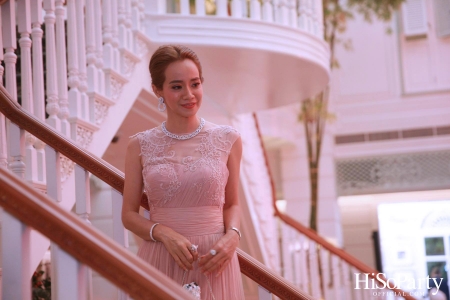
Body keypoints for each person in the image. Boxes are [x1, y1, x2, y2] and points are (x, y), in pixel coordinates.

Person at [122, 45, 245, 299]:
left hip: (214, 261)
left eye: (195, 84)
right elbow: (128, 215)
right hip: (161, 256)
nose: (189, 94)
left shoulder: (228, 138)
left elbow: (232, 204)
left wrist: (233, 235)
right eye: (177, 86)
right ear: (158, 90)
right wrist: (164, 233)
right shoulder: (139, 145)